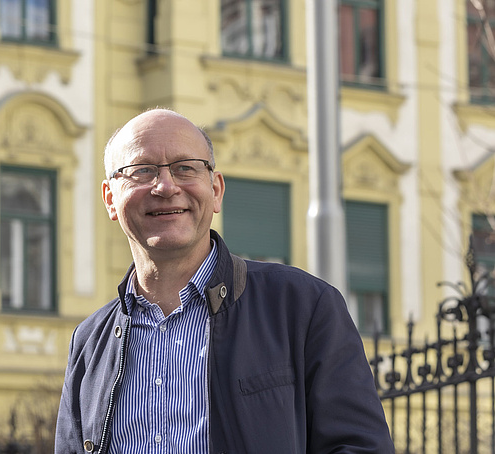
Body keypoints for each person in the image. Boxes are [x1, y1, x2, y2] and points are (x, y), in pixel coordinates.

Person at [54, 108, 394, 453]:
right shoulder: (89, 342)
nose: (166, 186)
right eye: (142, 171)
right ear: (111, 198)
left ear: (215, 190)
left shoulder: (302, 306)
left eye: (185, 168)